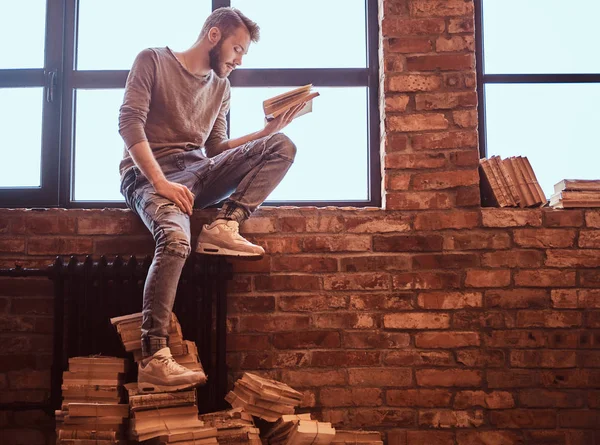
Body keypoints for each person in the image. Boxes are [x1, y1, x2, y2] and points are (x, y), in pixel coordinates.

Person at [118, 7, 305, 393]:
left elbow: (217, 147)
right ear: (215, 37)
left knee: (280, 144)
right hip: (149, 176)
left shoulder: (221, 87)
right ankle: (155, 356)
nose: (238, 60)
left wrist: (264, 131)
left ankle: (225, 224)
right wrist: (161, 183)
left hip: (199, 170)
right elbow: (128, 123)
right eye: (237, 49)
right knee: (174, 242)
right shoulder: (152, 60)